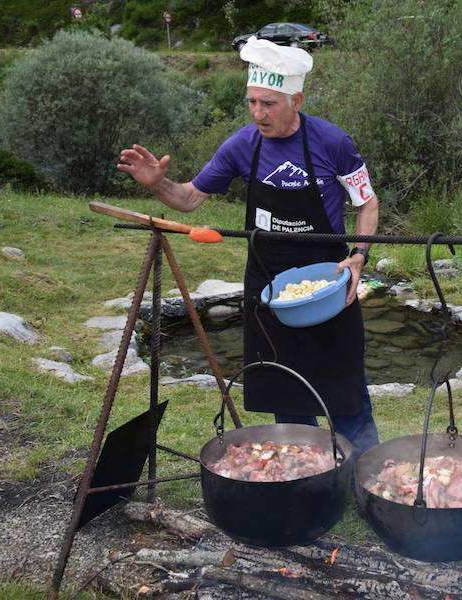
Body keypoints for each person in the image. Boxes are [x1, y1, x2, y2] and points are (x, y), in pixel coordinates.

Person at [117, 37, 379, 454]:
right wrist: (157, 185)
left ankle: (365, 476)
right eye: (252, 102)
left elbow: (366, 203)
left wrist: (358, 257)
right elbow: (187, 199)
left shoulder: (333, 142)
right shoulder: (242, 145)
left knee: (345, 391)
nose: (258, 113)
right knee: (286, 393)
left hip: (329, 285)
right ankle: (308, 476)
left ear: (297, 99)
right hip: (269, 288)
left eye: (268, 103)